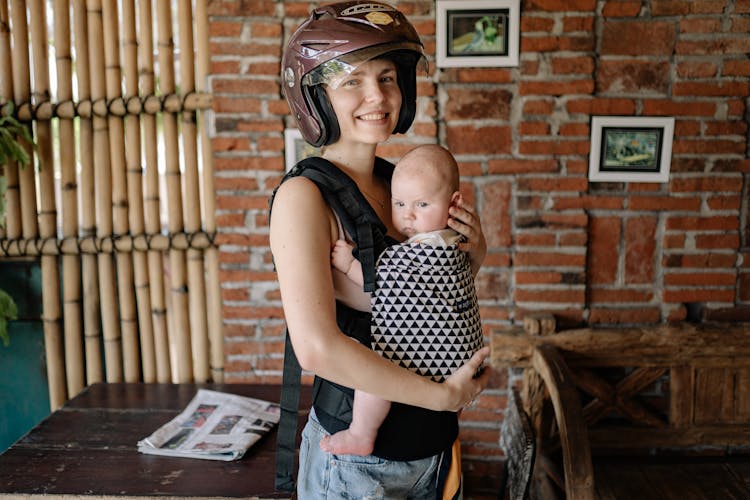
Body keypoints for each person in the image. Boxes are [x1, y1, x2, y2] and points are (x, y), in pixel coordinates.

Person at [270, 2, 490, 498]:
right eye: (352, 80)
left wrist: (474, 253)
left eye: (388, 77)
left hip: (431, 450)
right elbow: (317, 348)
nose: (377, 95)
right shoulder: (304, 197)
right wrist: (442, 396)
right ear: (317, 96)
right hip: (358, 466)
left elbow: (431, 297)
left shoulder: (402, 182)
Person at [321, 143, 484, 457]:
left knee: (374, 373)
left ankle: (360, 433)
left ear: (453, 203)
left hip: (436, 357)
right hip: (460, 355)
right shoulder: (457, 240)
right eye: (399, 204)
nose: (408, 215)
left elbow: (382, 283)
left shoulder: (421, 252)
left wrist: (347, 264)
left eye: (422, 204)